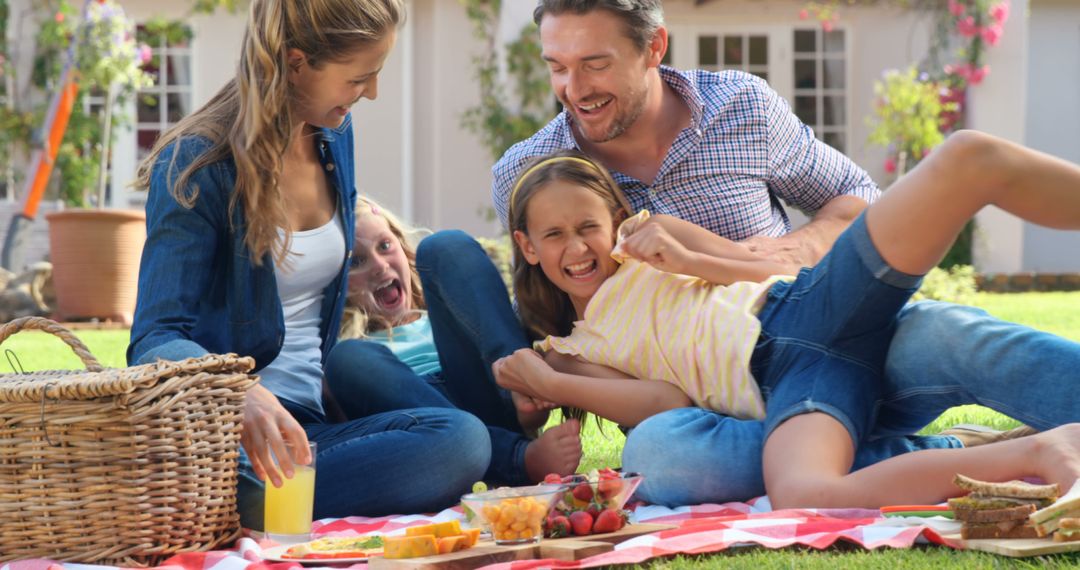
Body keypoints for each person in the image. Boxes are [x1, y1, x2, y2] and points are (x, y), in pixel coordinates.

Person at [482, 0, 1046, 505]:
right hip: (731, 408)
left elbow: (855, 203)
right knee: (665, 459)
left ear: (653, 46)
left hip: (805, 307)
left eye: (595, 63)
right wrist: (538, 395)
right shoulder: (528, 175)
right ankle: (945, 452)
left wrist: (775, 250)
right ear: (528, 244)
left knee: (948, 336)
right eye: (557, 66)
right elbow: (590, 358)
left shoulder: (739, 109)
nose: (574, 88)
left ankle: (970, 168)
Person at [493, 135, 1080, 508]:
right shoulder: (573, 346)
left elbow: (760, 266)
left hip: (807, 306)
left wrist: (690, 260)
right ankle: (1038, 454)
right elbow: (667, 402)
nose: (577, 247)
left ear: (615, 217)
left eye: (587, 227)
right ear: (527, 246)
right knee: (804, 492)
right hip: (786, 380)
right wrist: (550, 384)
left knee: (965, 159)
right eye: (554, 235)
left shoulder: (653, 233)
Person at [127, 0, 490, 527]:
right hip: (227, 444)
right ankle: (239, 504)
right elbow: (154, 338)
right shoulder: (196, 164)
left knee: (460, 438)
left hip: (315, 430)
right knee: (454, 449)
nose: (371, 92)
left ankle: (267, 506)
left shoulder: (333, 135)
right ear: (296, 63)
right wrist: (239, 391)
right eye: (359, 77)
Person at [323, 197, 582, 485]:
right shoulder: (347, 343)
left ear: (401, 247)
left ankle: (523, 385)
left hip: (484, 390)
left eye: (385, 246)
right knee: (347, 358)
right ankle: (515, 458)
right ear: (337, 284)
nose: (380, 266)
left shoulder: (445, 309)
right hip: (421, 418)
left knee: (444, 245)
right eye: (357, 261)